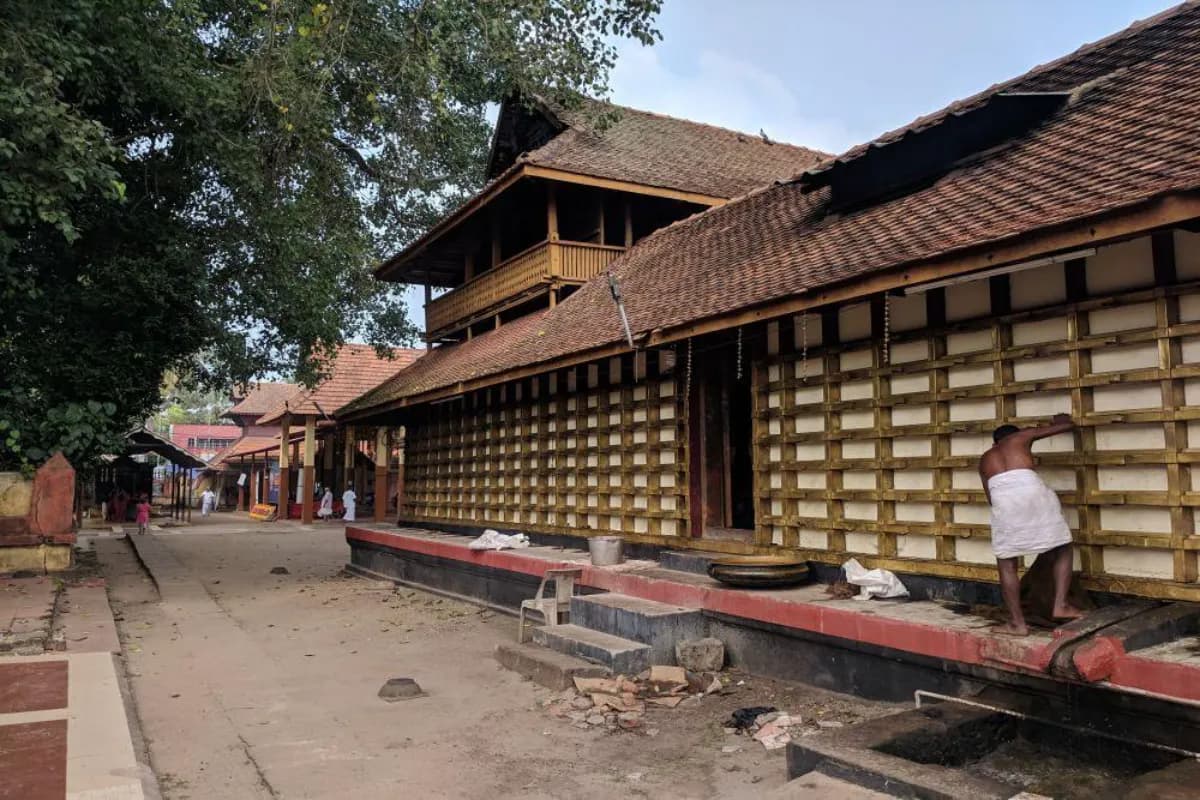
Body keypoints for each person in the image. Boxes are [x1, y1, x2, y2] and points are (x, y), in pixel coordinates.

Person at [979, 413, 1084, 636]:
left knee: (1007, 562)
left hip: (1004, 503)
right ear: (1015, 436)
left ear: (994, 443)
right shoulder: (1021, 437)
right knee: (1063, 546)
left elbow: (991, 497)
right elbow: (1065, 426)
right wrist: (1062, 421)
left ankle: (1018, 624)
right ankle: (1061, 605)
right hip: (1032, 493)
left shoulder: (985, 459)